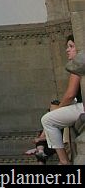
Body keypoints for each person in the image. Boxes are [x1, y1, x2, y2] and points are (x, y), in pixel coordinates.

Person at [40, 35, 82, 165]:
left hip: (83, 106)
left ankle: (64, 161)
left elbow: (70, 94)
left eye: (71, 46)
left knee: (47, 119)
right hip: (80, 104)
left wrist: (58, 108)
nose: (67, 50)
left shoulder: (78, 65)